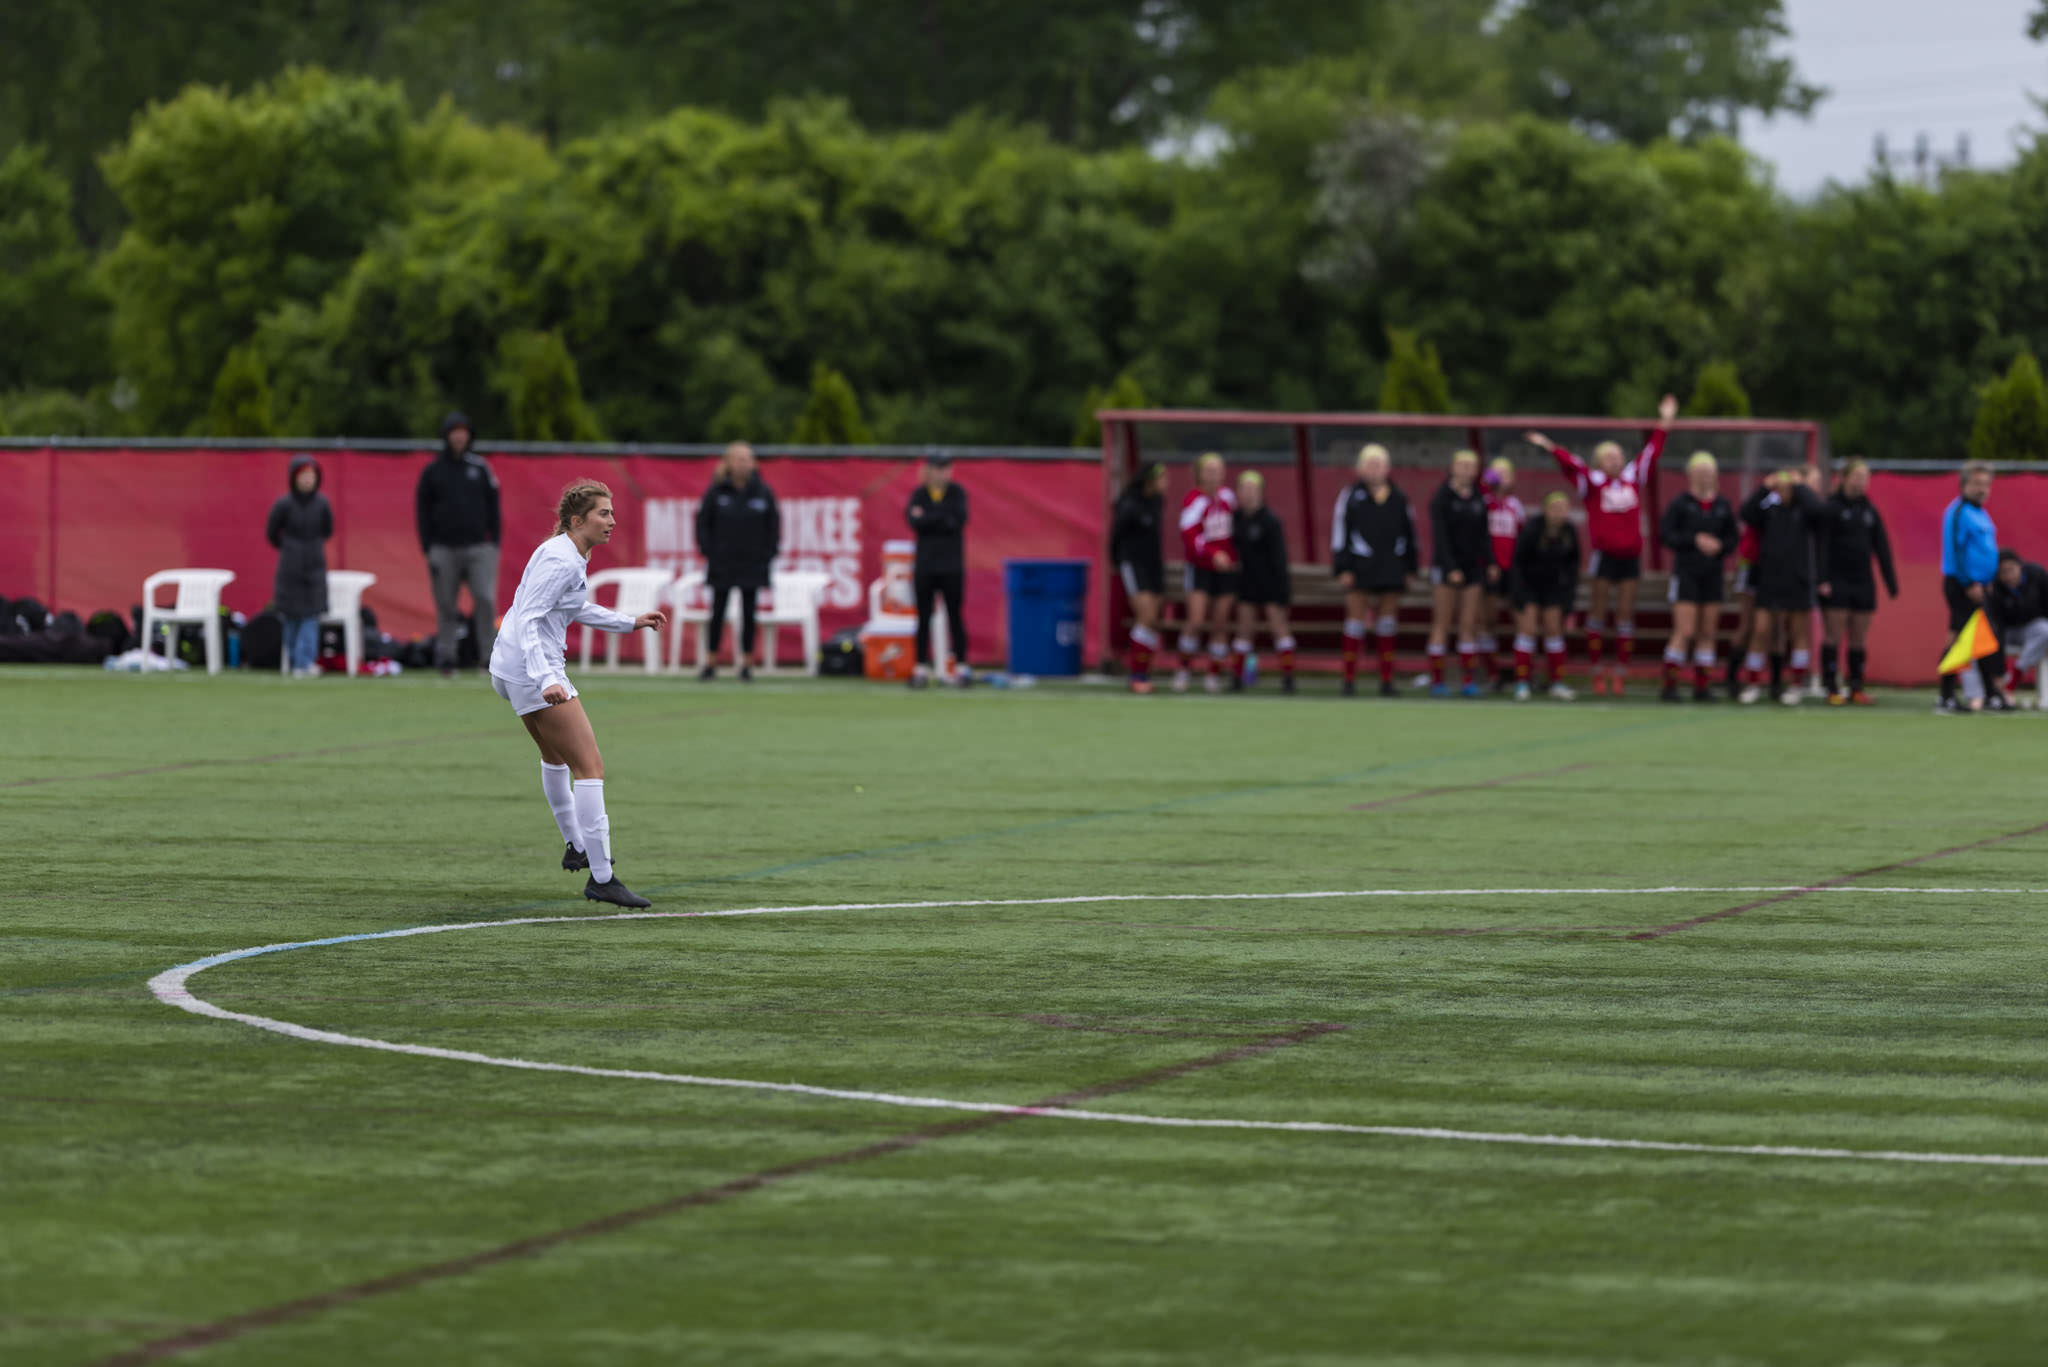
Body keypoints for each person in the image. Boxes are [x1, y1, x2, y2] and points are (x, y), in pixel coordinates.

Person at [489, 480, 668, 909]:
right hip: (533, 669)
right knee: (590, 767)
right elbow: (529, 617)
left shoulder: (566, 553)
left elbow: (572, 607)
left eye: (610, 512)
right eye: (603, 513)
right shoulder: (560, 559)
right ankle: (602, 877)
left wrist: (629, 621)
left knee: (555, 759)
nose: (612, 521)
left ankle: (576, 845)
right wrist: (545, 677)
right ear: (577, 520)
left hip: (511, 666)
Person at [1526, 395, 1677, 695]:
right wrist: (1550, 447)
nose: (1615, 461)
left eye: (1618, 456)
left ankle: (1620, 670)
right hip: (1604, 555)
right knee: (1597, 612)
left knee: (1624, 613)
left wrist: (1666, 420)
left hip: (1630, 556)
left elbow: (1652, 451)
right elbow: (1572, 465)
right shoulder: (1593, 482)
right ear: (1599, 461)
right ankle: (1597, 668)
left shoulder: (1633, 478)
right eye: (1609, 457)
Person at [416, 411, 501, 676]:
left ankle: (489, 657)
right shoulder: (433, 471)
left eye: (463, 432)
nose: (459, 437)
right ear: (447, 435)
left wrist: (493, 543)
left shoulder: (480, 468)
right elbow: (422, 510)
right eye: (454, 431)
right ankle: (447, 657)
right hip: (443, 548)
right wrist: (428, 546)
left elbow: (494, 507)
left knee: (485, 600)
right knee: (446, 604)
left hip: (478, 548)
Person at [1331, 444, 1417, 697]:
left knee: (1387, 623)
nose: (1374, 469)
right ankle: (1349, 680)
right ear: (1360, 468)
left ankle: (1387, 680)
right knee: (1355, 622)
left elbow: (1409, 534)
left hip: (1391, 567)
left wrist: (1410, 567)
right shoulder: (1350, 496)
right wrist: (1343, 567)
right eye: (1369, 464)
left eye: (1379, 464)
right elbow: (1340, 533)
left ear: (1387, 468)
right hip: (1360, 566)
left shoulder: (1399, 497)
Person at [1737, 467, 1825, 706]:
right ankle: (1753, 682)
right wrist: (1765, 486)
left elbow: (1818, 511)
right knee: (1761, 630)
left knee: (1798, 633)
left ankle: (1796, 685)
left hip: (1797, 578)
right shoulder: (1769, 509)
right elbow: (1746, 513)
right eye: (1782, 488)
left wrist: (1800, 486)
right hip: (1769, 578)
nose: (1785, 493)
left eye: (1790, 489)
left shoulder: (1804, 510)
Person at [694, 441, 781, 682]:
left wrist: (767, 554)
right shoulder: (717, 491)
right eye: (739, 459)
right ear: (729, 463)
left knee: (749, 612)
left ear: (754, 463)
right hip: (722, 563)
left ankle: (747, 663)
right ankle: (711, 661)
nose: (743, 463)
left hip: (753, 564)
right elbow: (703, 523)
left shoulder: (763, 492)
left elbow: (773, 527)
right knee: (718, 612)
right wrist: (709, 550)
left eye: (747, 459)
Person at [1816, 458, 1899, 705]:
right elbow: (1822, 545)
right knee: (1833, 634)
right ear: (1843, 478)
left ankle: (1856, 687)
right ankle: (1831, 686)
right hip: (1836, 580)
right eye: (1856, 477)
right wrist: (1822, 579)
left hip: (1862, 580)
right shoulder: (1831, 508)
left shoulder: (1869, 510)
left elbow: (1881, 547)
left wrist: (1890, 581)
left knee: (1858, 637)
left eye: (1864, 478)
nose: (1860, 483)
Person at [1659, 453, 1740, 703]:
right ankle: (1670, 684)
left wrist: (1720, 545)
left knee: (1707, 631)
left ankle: (1702, 686)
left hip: (1712, 574)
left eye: (1710, 471)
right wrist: (1693, 540)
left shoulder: (1722, 505)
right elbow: (1666, 535)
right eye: (1700, 471)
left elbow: (1733, 538)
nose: (1706, 476)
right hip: (1687, 573)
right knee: (1685, 630)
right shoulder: (1681, 503)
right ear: (1691, 474)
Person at [1939, 461, 2004, 713]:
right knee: (1957, 639)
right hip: (1963, 586)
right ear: (1964, 485)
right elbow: (1955, 553)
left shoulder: (1981, 512)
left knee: (1983, 639)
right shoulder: (1958, 512)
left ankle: (1991, 695)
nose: (1982, 489)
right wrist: (1969, 584)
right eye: (1977, 484)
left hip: (1981, 586)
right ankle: (1946, 695)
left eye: (1986, 484)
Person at [1427, 449, 1491, 698]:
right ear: (1453, 467)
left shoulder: (1478, 497)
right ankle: (1437, 681)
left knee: (1468, 624)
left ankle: (1467, 681)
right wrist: (1450, 567)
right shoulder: (1442, 496)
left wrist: (1491, 562)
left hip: (1473, 567)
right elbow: (1439, 536)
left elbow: (1484, 535)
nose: (1466, 470)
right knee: (1442, 623)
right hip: (1446, 568)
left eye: (1471, 466)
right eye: (1462, 465)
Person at [265, 454, 334, 678]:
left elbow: (328, 529)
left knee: (310, 616)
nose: (307, 480)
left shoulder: (322, 504)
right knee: (291, 616)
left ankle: (305, 661)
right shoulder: (283, 504)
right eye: (302, 476)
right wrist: (290, 548)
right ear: (293, 478)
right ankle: (294, 660)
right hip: (290, 569)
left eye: (311, 475)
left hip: (315, 567)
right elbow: (271, 533)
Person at [1175, 452, 1238, 694]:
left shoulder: (1228, 498)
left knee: (1221, 622)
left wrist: (1231, 558)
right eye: (1208, 470)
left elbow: (1236, 531)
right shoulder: (1194, 499)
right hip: (1201, 568)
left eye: (1218, 470)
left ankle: (1213, 673)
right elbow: (1189, 534)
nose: (1213, 475)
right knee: (1196, 620)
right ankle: (1183, 669)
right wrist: (1213, 554)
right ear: (1200, 474)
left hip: (1226, 570)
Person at [905, 454, 970, 689]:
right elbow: (913, 521)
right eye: (937, 468)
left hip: (951, 566)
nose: (941, 473)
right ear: (929, 470)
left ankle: (961, 668)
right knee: (923, 618)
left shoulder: (957, 493)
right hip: (925, 566)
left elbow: (957, 520)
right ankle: (920, 668)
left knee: (955, 616)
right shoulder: (919, 494)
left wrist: (930, 517)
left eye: (945, 468)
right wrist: (940, 518)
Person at [1508, 492, 1579, 701]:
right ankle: (1522, 683)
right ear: (1546, 510)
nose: (1559, 514)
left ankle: (1556, 683)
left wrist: (1568, 600)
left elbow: (1573, 567)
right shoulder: (1532, 529)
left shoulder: (1569, 532)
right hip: (1528, 586)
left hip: (1554, 588)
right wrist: (1518, 594)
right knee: (1527, 630)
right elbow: (1518, 562)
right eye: (1554, 509)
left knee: (1554, 631)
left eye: (1563, 509)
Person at [1230, 471, 1296, 693]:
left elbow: (1279, 558)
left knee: (1278, 628)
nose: (1247, 494)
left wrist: (1282, 589)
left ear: (1260, 492)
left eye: (1252, 489)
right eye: (1243, 489)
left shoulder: (1270, 521)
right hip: (1247, 582)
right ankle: (1237, 678)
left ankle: (1288, 678)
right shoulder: (1235, 519)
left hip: (1269, 583)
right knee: (1244, 630)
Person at [1111, 462, 1168, 694]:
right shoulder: (1129, 504)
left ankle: (1144, 672)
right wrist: (1119, 562)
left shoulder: (1157, 503)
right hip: (1134, 565)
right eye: (1162, 478)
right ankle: (1137, 676)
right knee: (1145, 615)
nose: (1166, 483)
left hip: (1153, 567)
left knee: (1153, 619)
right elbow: (1117, 538)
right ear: (1150, 480)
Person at [1481, 457, 1525, 692]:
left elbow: (1521, 536)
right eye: (1497, 473)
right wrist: (1490, 480)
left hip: (1511, 570)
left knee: (1522, 620)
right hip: (1490, 569)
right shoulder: (1483, 501)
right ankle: (1492, 674)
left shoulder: (1514, 505)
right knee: (1488, 621)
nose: (1501, 477)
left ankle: (1523, 676)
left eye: (1505, 473)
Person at [1991, 549, 2048, 707]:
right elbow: (1996, 626)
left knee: (2044, 630)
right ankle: (1991, 693)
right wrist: (1999, 672)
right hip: (2007, 632)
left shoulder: (2038, 575)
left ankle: (2013, 680)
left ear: (2020, 567)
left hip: (2032, 629)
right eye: (2003, 572)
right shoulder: (1994, 588)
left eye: (2011, 570)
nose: (2008, 576)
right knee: (1984, 640)